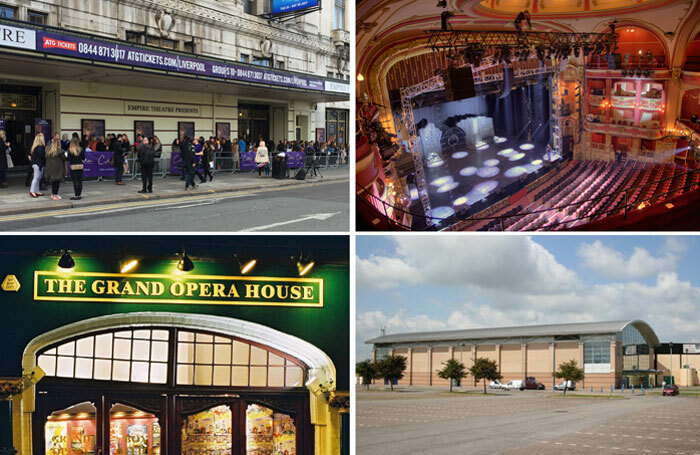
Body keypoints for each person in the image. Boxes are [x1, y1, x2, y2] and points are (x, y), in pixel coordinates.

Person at [29, 133, 46, 198]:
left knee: (38, 178)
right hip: (38, 164)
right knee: (36, 178)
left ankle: (36, 191)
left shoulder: (35, 147)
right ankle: (32, 191)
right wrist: (46, 151)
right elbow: (42, 155)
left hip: (36, 164)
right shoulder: (39, 147)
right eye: (43, 138)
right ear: (41, 139)